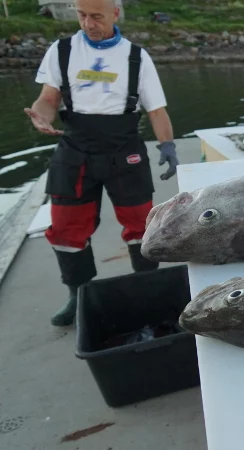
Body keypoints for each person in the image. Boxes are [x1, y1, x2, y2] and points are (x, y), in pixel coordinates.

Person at [24, 0, 179, 327]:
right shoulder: (61, 50)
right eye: (82, 15)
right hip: (75, 147)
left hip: (124, 148)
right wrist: (41, 114)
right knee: (66, 226)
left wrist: (167, 145)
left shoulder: (137, 57)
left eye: (96, 16)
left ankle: (145, 288)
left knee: (141, 223)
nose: (88, 23)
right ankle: (77, 295)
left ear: (115, 13)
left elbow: (156, 109)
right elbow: (48, 98)